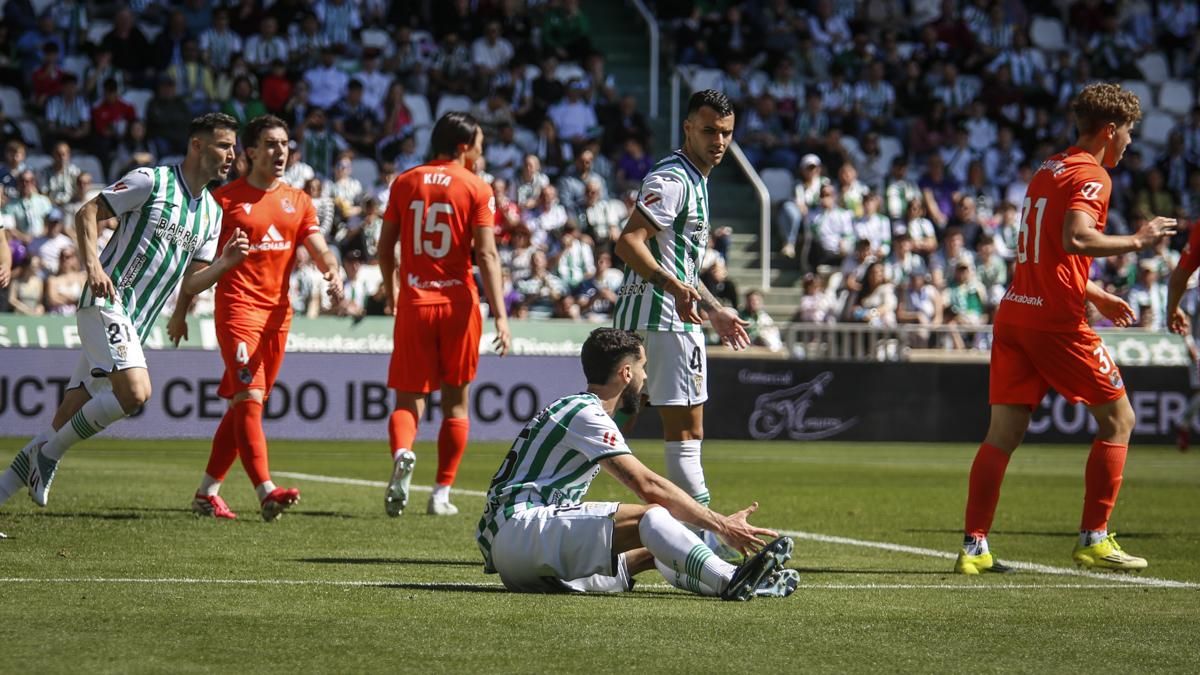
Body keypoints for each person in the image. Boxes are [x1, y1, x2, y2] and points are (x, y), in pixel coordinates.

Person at [955, 84, 1177, 575]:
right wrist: (1138, 241)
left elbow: (1046, 248)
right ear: (1110, 130)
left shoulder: (1048, 167)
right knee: (1119, 422)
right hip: (1055, 322)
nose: (1130, 144)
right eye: (1129, 133)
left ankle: (974, 548)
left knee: (1001, 436)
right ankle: (1094, 538)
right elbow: (1076, 236)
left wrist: (1094, 293)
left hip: (1016, 310)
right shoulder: (1093, 175)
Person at [0, 113, 248, 511]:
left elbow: (191, 283)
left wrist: (225, 263)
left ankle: (14, 479)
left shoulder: (212, 214)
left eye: (233, 148)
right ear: (197, 146)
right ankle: (50, 455)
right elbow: (86, 213)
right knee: (135, 393)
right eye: (223, 146)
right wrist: (94, 267)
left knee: (64, 419)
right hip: (106, 304)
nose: (231, 155)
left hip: (135, 324)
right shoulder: (152, 181)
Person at [475, 327, 797, 599]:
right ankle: (731, 579)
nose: (645, 379)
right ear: (626, 373)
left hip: (523, 550)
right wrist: (722, 525)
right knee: (653, 516)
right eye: (643, 368)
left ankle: (749, 584)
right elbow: (647, 485)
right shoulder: (586, 412)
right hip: (521, 529)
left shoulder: (578, 409)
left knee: (663, 544)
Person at [170, 115, 344, 522]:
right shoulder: (224, 201)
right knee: (248, 400)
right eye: (270, 144)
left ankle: (205, 494)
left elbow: (319, 247)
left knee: (242, 408)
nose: (280, 151)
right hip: (238, 311)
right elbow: (197, 267)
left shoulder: (298, 201)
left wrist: (332, 270)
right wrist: (180, 313)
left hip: (278, 318)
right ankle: (266, 490)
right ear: (249, 152)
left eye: (284, 143)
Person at [612, 90, 751, 561]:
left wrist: (714, 308)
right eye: (710, 130)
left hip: (644, 319)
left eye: (727, 133)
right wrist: (673, 287)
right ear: (688, 127)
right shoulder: (674, 178)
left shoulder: (693, 179)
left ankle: (557, 501)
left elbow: (684, 268)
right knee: (687, 433)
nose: (719, 141)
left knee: (614, 423)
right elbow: (628, 242)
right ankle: (712, 539)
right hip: (667, 321)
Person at [377, 112, 511, 517]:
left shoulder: (404, 181)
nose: (482, 152)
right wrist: (501, 314)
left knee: (408, 398)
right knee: (455, 402)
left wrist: (392, 292)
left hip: (415, 301)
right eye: (479, 145)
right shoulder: (476, 187)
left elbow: (385, 248)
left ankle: (403, 452)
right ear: (462, 146)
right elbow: (486, 254)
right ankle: (441, 494)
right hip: (458, 304)